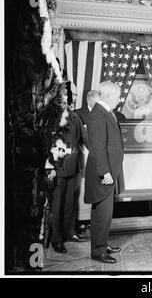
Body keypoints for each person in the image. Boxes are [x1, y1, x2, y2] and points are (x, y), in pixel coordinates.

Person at [84, 81, 124, 264]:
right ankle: (98, 252)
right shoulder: (99, 115)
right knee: (102, 213)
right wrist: (104, 172)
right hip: (104, 173)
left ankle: (102, 244)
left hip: (108, 170)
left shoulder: (104, 112)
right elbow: (97, 148)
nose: (119, 99)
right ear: (108, 96)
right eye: (117, 96)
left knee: (103, 212)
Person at [49, 82, 89, 254]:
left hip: (73, 167)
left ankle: (69, 232)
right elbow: (48, 143)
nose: (69, 97)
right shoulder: (52, 116)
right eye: (65, 94)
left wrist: (102, 151)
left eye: (69, 95)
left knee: (69, 202)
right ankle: (56, 239)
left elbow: (85, 138)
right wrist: (51, 166)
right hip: (58, 166)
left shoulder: (74, 116)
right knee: (57, 205)